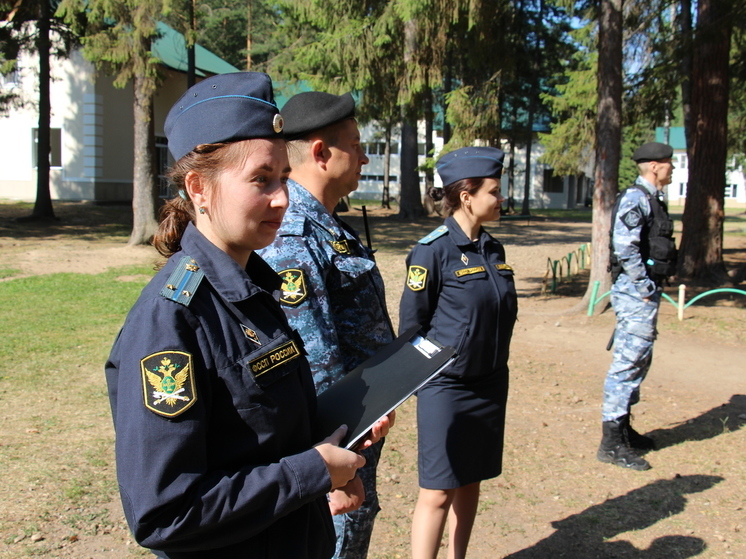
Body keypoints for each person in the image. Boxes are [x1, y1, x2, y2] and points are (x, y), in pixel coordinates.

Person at [104, 72, 390, 559]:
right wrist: (312, 471)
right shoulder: (171, 322)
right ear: (199, 187)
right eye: (261, 180)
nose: (281, 197)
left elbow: (254, 439)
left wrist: (332, 446)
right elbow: (165, 513)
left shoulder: (256, 288)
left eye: (283, 177)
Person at [258, 91, 395, 559]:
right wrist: (336, 474)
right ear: (320, 152)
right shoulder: (294, 232)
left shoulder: (328, 225)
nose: (364, 155)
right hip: (333, 446)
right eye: (355, 145)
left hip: (357, 429)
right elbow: (311, 363)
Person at [398, 146, 518, 559]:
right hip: (445, 388)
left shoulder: (493, 250)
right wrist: (426, 382)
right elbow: (412, 327)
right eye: (495, 191)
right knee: (436, 492)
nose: (502, 199)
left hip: (489, 385)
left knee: (471, 480)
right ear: (467, 196)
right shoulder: (432, 251)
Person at [598, 141, 677, 471]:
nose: (673, 168)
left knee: (639, 361)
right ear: (655, 166)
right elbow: (625, 247)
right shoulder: (636, 198)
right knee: (627, 364)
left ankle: (625, 430)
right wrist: (644, 288)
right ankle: (611, 443)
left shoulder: (653, 199)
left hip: (642, 296)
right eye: (669, 164)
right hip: (635, 296)